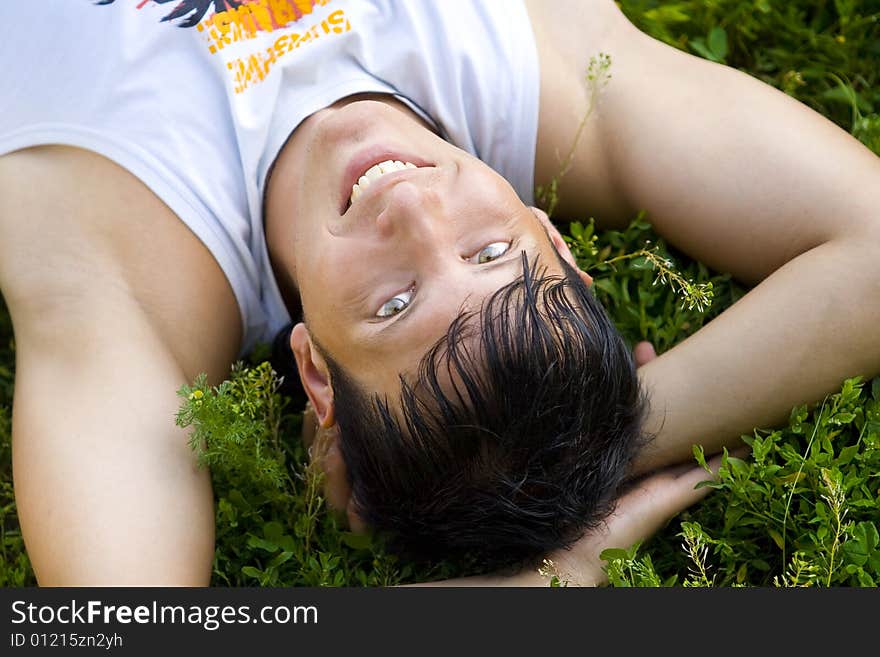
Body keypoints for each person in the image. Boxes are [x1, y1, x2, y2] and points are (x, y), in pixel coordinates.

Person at [1, 0, 878, 586]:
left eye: (392, 304)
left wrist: (545, 578)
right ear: (558, 242)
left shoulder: (114, 270)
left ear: (315, 373)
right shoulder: (542, 67)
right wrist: (619, 440)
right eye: (494, 251)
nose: (414, 208)